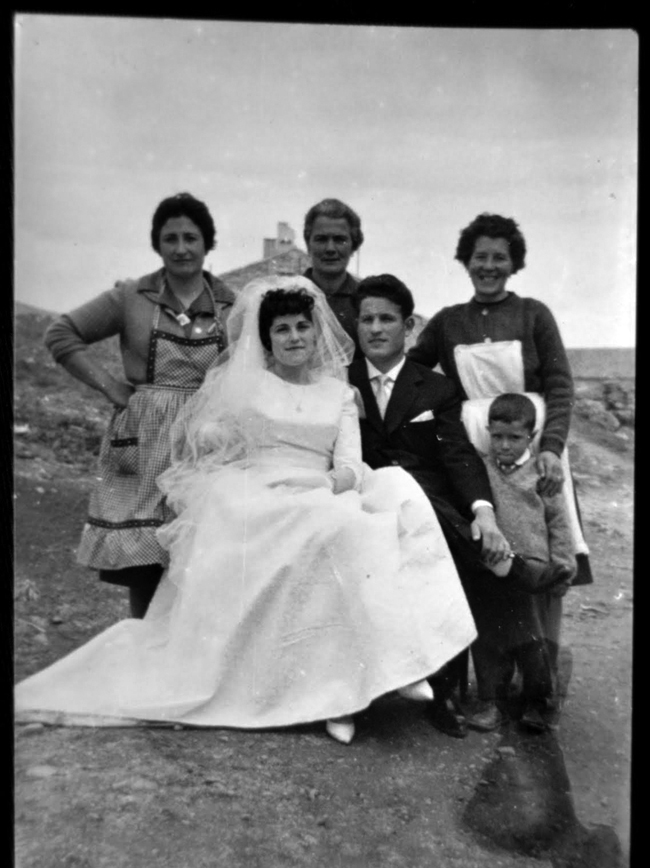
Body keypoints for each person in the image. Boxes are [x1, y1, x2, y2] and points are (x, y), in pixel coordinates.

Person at [15, 276, 478, 746]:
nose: (295, 337)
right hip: (257, 491)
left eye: (303, 327)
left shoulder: (339, 395)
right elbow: (218, 451)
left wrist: (325, 483)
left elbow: (351, 465)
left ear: (318, 334)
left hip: (318, 490)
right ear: (267, 340)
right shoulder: (249, 390)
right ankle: (339, 696)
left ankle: (372, 679)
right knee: (322, 529)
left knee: (362, 517)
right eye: (282, 329)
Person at [347, 273, 555, 739]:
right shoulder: (343, 384)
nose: (376, 329)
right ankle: (508, 568)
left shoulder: (435, 389)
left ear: (409, 326)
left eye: (387, 319)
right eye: (367, 319)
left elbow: (457, 456)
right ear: (356, 326)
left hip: (431, 501)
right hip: (366, 498)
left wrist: (483, 510)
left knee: (452, 536)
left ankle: (444, 692)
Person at [408, 212, 592, 730]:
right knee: (484, 563)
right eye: (480, 257)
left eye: (499, 257)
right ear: (465, 262)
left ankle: (542, 685)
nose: (488, 266)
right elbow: (414, 372)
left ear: (514, 263)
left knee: (542, 560)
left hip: (531, 448)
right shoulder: (446, 321)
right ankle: (486, 686)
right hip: (475, 451)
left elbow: (559, 385)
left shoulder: (535, 315)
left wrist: (551, 447)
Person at [44, 192, 235, 619]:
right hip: (145, 442)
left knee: (201, 558)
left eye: (191, 237)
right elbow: (62, 334)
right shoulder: (133, 297)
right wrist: (110, 385)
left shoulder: (230, 304)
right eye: (171, 238)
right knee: (146, 565)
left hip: (205, 444)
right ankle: (142, 669)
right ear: (157, 244)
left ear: (208, 244)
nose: (182, 248)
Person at [479, 393, 578, 732]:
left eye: (514, 438)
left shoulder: (542, 473)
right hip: (494, 566)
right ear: (488, 432)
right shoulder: (482, 469)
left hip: (534, 569)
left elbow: (559, 523)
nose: (504, 445)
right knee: (492, 636)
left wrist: (563, 565)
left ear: (531, 437)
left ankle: (538, 700)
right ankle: (492, 700)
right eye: (497, 437)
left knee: (532, 638)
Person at [303, 198, 363, 356]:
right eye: (321, 239)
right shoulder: (287, 297)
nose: (330, 248)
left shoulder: (365, 300)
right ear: (308, 245)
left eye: (340, 240)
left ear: (353, 246)